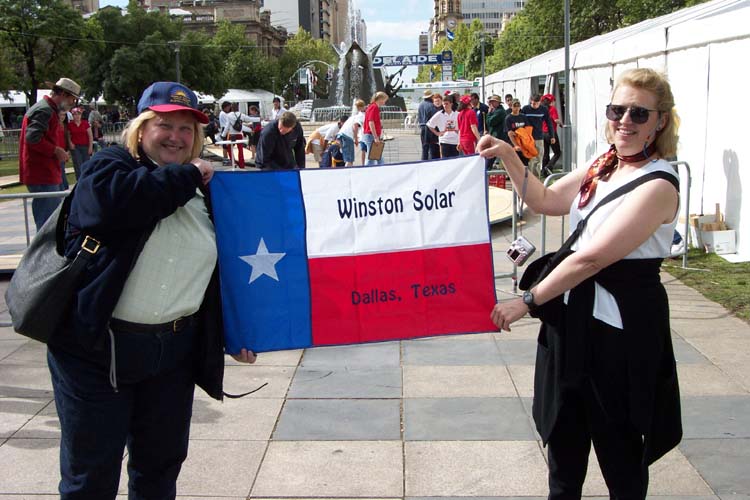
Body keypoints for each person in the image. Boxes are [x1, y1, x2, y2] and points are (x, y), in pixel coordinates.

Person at [46, 81, 257, 499]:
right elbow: (118, 204)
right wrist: (188, 174)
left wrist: (237, 332)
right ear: (141, 129)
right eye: (165, 125)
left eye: (186, 129)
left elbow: (224, 271)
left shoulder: (206, 190)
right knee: (90, 479)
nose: (176, 137)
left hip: (172, 355)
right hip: (96, 352)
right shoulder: (109, 167)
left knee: (159, 472)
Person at [479, 67, 682, 499]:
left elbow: (592, 258)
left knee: (620, 457)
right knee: (563, 455)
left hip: (619, 332)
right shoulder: (603, 163)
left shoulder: (660, 183)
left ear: (660, 121)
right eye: (617, 110)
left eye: (639, 114)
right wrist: (509, 154)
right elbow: (546, 200)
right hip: (571, 322)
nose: (624, 121)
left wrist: (528, 300)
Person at [19, 77, 78, 230]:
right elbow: (32, 138)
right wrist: (56, 150)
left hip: (46, 171)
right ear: (63, 94)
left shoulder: (48, 109)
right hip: (41, 173)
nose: (73, 103)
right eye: (72, 99)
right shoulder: (44, 110)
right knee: (47, 222)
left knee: (51, 220)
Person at [521, 93, 556, 177]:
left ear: (540, 102)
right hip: (528, 137)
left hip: (539, 137)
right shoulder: (525, 109)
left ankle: (536, 178)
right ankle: (529, 177)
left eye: (536, 104)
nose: (535, 106)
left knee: (538, 158)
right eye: (533, 103)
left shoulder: (543, 110)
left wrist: (552, 136)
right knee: (530, 159)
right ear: (531, 101)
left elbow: (549, 123)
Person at [426, 93, 459, 158]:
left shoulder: (457, 114)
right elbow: (429, 124)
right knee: (444, 159)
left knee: (455, 159)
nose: (445, 106)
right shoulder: (439, 114)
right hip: (444, 140)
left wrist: (458, 131)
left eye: (447, 104)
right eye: (443, 104)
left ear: (451, 104)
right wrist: (437, 133)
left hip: (455, 140)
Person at [362, 91, 388, 166]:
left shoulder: (371, 106)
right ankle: (368, 170)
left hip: (370, 135)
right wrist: (376, 137)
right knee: (372, 157)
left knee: (376, 156)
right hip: (371, 135)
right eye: (384, 100)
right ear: (380, 99)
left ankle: (381, 168)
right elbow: (371, 122)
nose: (384, 102)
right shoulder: (374, 107)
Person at [67, 106, 93, 180]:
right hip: (76, 147)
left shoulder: (85, 123)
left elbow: (90, 135)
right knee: (78, 164)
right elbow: (68, 135)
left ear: (81, 115)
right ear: (72, 115)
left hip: (85, 146)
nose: (77, 116)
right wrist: (70, 143)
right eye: (75, 114)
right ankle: (79, 180)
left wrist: (90, 147)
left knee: (86, 164)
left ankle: (87, 179)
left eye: (78, 114)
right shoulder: (70, 124)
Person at [338, 99, 366, 166]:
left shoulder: (356, 115)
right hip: (348, 136)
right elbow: (355, 126)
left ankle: (348, 169)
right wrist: (356, 139)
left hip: (342, 134)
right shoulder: (361, 116)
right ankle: (348, 171)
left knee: (347, 157)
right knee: (349, 159)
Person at [504, 98, 532, 167]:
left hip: (523, 142)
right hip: (514, 143)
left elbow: (528, 130)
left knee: (525, 163)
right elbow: (510, 133)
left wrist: (519, 133)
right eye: (514, 106)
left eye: (518, 106)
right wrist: (515, 145)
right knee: (515, 163)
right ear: (511, 107)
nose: (516, 108)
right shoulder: (508, 118)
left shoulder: (523, 116)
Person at [542, 93, 563, 174]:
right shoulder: (552, 109)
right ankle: (549, 166)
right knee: (557, 152)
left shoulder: (542, 109)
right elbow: (556, 120)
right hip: (551, 133)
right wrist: (561, 124)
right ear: (551, 101)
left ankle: (543, 171)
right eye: (554, 101)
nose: (554, 102)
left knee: (546, 153)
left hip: (543, 133)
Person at [485, 94, 507, 170]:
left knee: (491, 155)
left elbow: (490, 122)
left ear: (498, 103)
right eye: (491, 102)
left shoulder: (500, 112)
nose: (491, 103)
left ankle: (487, 169)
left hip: (498, 136)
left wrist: (489, 113)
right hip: (495, 135)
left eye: (493, 101)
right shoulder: (496, 111)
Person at [418, 89, 440, 160]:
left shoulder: (421, 105)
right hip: (430, 128)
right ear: (431, 97)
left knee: (424, 147)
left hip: (422, 127)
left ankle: (423, 161)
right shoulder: (431, 106)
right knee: (432, 147)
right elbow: (435, 118)